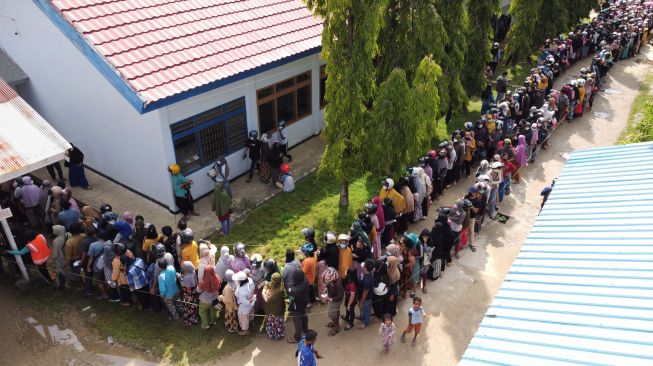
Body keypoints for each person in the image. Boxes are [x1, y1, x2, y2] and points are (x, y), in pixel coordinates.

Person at [287, 267, 309, 343]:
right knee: (304, 316)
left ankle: (297, 337)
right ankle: (305, 329)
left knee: (297, 321)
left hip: (296, 306)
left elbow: (289, 289)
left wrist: (290, 283)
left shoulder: (295, 290)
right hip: (304, 302)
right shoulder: (305, 280)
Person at [196, 265, 221, 329]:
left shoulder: (203, 282)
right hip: (215, 299)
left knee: (203, 312)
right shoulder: (217, 278)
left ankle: (205, 325)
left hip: (205, 301)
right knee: (213, 311)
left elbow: (198, 291)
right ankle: (213, 321)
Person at [263, 272, 285, 340]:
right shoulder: (279, 284)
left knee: (275, 324)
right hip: (279, 308)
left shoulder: (277, 292)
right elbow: (268, 284)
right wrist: (266, 287)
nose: (271, 281)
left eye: (272, 280)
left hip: (275, 311)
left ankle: (276, 335)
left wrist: (264, 293)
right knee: (276, 323)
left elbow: (268, 300)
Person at [322, 267, 343, 336]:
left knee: (332, 314)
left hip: (335, 301)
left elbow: (340, 296)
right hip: (332, 298)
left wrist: (330, 299)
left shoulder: (338, 284)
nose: (327, 283)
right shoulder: (333, 278)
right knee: (335, 312)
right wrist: (325, 289)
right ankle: (335, 323)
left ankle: (336, 327)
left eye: (328, 281)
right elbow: (328, 284)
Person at [234, 270, 255, 335]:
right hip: (251, 302)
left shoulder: (241, 290)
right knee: (250, 313)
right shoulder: (250, 280)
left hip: (244, 306)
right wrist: (251, 298)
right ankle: (251, 322)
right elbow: (253, 288)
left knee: (243, 318)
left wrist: (240, 303)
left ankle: (245, 331)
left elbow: (244, 302)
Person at [181, 261, 199, 326]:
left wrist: (181, 280)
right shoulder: (193, 272)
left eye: (184, 267)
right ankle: (195, 317)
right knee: (194, 306)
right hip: (194, 292)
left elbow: (188, 289)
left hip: (189, 294)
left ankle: (190, 320)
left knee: (189, 307)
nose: (182, 267)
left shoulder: (186, 278)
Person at [358, 258, 374, 330]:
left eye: (364, 263)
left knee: (366, 309)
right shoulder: (367, 273)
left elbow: (365, 292)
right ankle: (362, 316)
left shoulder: (367, 280)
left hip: (366, 298)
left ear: (365, 267)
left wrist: (361, 301)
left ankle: (366, 323)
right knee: (363, 309)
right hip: (363, 296)